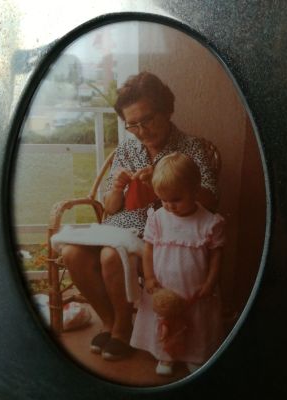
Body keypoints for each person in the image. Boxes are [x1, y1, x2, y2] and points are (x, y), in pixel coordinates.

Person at [62, 71, 218, 361]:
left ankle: (122, 330)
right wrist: (118, 187)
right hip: (118, 226)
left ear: (167, 110)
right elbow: (110, 208)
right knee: (72, 253)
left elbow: (210, 197)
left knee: (111, 255)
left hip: (164, 230)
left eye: (147, 120)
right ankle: (110, 323)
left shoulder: (192, 147)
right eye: (132, 124)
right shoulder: (127, 147)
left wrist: (163, 185)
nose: (141, 131)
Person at [130, 152, 225, 376]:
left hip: (195, 287)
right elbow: (148, 249)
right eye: (164, 200)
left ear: (194, 190)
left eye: (176, 199)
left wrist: (211, 282)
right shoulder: (158, 218)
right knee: (164, 317)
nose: (169, 206)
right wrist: (149, 277)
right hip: (164, 285)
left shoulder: (210, 222)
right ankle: (166, 355)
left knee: (195, 322)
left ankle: (195, 355)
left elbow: (217, 256)